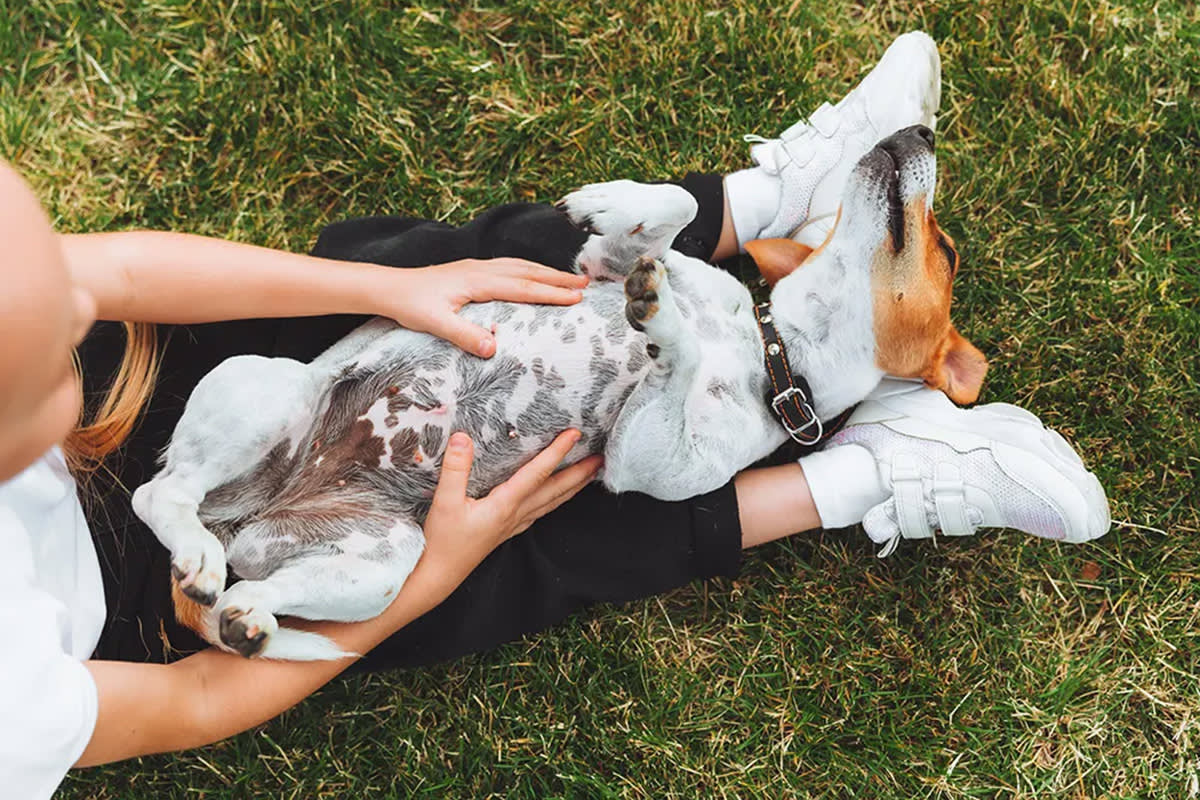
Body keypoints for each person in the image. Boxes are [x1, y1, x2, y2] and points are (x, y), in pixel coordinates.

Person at [0, 31, 1107, 799]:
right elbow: (193, 700)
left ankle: (771, 203)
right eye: (53, 350)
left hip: (167, 396)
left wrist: (384, 293)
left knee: (454, 278)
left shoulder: (47, 326)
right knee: (529, 531)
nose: (71, 313)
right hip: (173, 586)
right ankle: (867, 472)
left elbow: (115, 275)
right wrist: (430, 575)